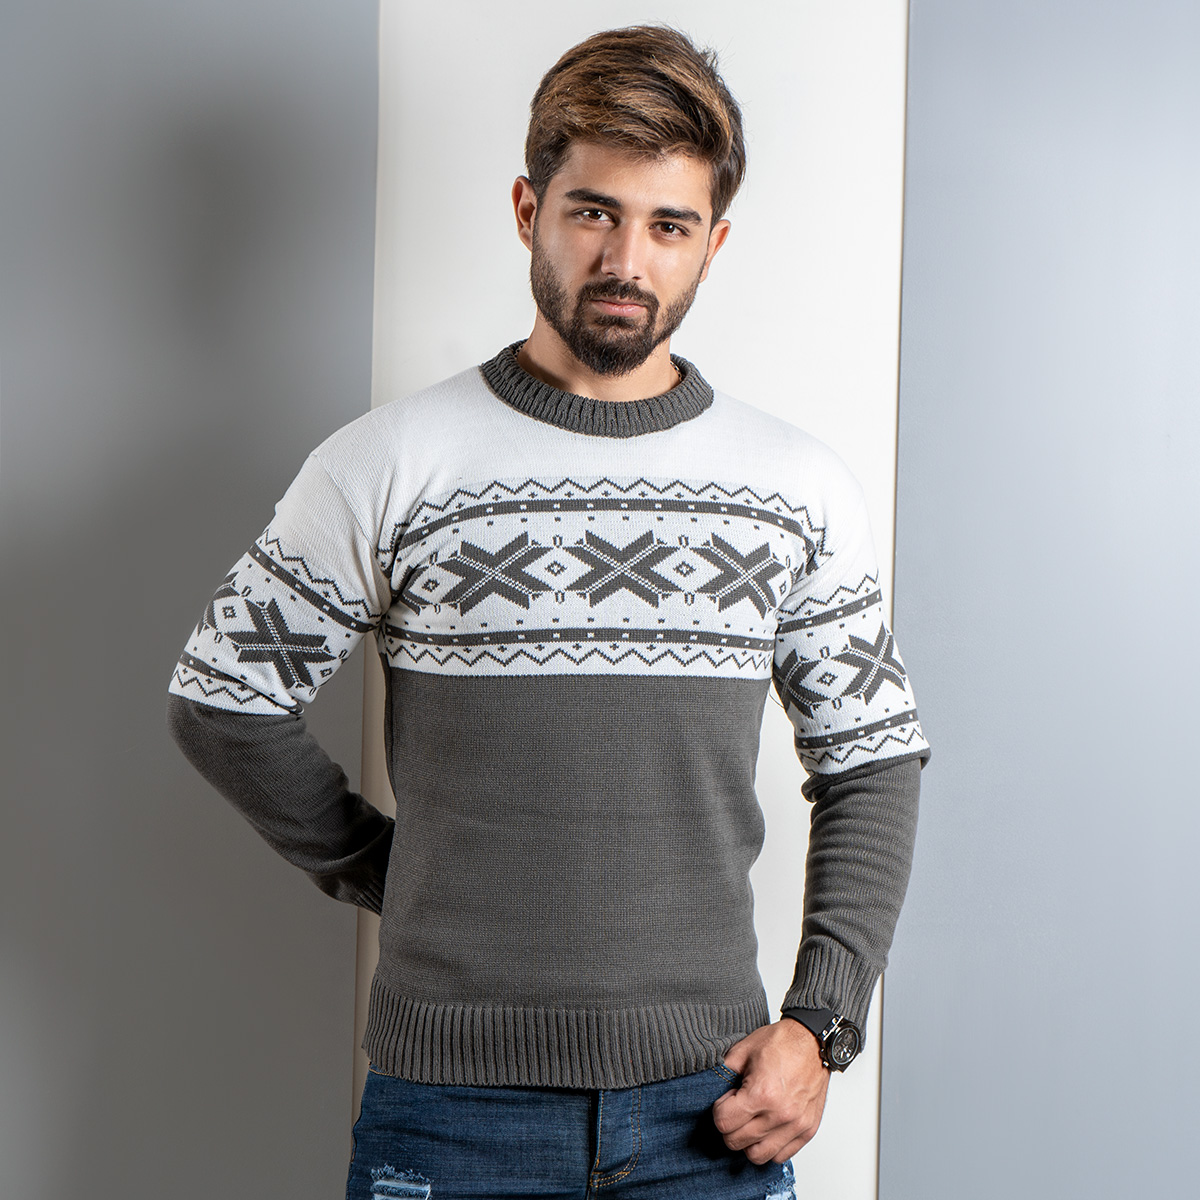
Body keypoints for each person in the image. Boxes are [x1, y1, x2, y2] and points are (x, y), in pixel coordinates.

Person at [167, 24, 929, 1200]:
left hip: (711, 1112)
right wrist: (393, 869)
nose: (625, 258)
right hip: (449, 1114)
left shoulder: (795, 487)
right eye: (593, 212)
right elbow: (223, 701)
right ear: (529, 209)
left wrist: (821, 1022)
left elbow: (871, 758)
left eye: (668, 225)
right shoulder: (391, 462)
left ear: (714, 244)